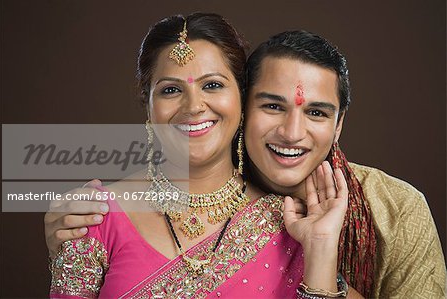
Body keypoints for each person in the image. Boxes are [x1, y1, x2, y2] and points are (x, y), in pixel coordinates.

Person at [47, 13, 349, 298]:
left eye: (213, 85)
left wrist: (321, 248)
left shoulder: (289, 225)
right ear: (148, 105)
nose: (193, 106)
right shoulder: (94, 216)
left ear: (242, 99)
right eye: (170, 90)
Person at [243, 30, 446, 298]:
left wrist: (322, 248)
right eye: (273, 106)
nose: (292, 133)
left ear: (338, 125)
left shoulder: (398, 208)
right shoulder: (201, 197)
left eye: (316, 113)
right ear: (243, 108)